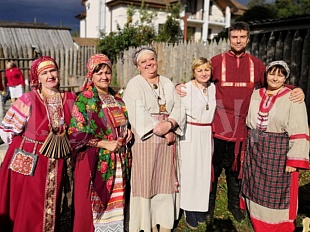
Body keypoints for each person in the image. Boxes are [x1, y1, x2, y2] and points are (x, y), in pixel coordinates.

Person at [176, 21, 305, 223]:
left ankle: (234, 205)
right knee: (213, 171)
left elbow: (274, 80)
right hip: (218, 127)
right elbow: (199, 77)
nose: (238, 40)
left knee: (236, 173)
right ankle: (208, 206)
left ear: (247, 38)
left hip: (242, 130)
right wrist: (179, 86)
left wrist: (294, 88)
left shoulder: (256, 64)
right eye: (235, 37)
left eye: (242, 37)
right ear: (229, 38)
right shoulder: (217, 61)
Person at [0, 56, 76, 231]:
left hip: (63, 163)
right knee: (32, 208)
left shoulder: (71, 98)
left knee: (61, 205)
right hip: (34, 164)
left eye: (53, 71)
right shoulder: (28, 100)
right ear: (37, 78)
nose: (50, 76)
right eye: (44, 73)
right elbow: (6, 132)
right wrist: (26, 147)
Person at [240, 60, 310, 232]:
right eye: (272, 73)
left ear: (285, 78)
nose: (275, 78)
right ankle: (257, 221)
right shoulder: (257, 94)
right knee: (256, 187)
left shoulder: (293, 97)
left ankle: (277, 226)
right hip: (256, 151)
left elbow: (299, 128)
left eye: (280, 75)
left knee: (276, 192)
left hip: (278, 152)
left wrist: (293, 161)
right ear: (266, 74)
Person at [123, 45, 185, 232]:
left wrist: (172, 123)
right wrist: (162, 129)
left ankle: (164, 221)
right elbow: (137, 113)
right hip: (146, 140)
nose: (149, 64)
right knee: (146, 180)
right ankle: (146, 222)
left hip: (168, 141)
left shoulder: (166, 82)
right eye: (144, 62)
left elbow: (179, 107)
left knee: (165, 180)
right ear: (138, 65)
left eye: (151, 59)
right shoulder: (135, 84)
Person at [68, 54, 132, 232]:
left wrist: (128, 132)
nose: (104, 77)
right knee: (94, 210)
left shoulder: (117, 98)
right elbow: (75, 133)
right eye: (99, 73)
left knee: (116, 205)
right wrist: (103, 144)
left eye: (107, 72)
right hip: (95, 161)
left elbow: (122, 122)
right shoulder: (84, 99)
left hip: (119, 161)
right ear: (91, 75)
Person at [179, 57, 216, 229]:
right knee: (189, 171)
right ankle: (188, 208)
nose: (204, 73)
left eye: (206, 70)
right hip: (191, 132)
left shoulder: (212, 88)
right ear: (194, 71)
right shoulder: (186, 88)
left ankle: (199, 207)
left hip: (206, 132)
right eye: (200, 70)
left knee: (203, 171)